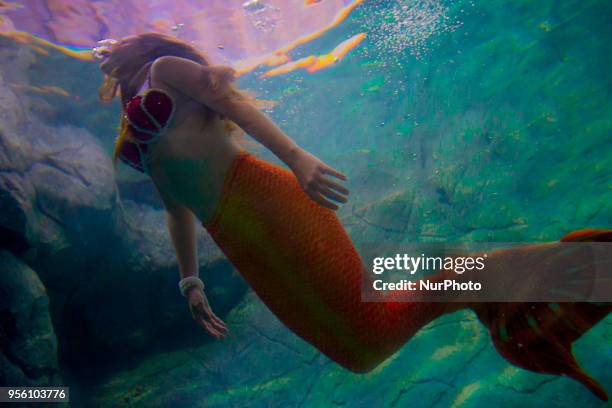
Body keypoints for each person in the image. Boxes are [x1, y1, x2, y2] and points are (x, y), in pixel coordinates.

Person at [95, 33, 610, 400]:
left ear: (142, 46)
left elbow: (228, 100)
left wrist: (297, 159)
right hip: (233, 234)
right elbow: (174, 208)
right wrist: (190, 280)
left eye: (116, 45)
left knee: (366, 324)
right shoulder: (132, 121)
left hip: (261, 197)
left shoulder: (162, 72)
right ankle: (477, 286)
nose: (106, 54)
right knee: (358, 351)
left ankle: (579, 268)